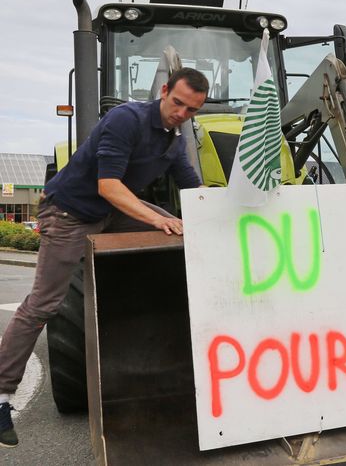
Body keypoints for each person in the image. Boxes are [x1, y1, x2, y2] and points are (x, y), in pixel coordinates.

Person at [0, 67, 208, 448]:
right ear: (164, 91)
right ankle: (2, 394)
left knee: (184, 229)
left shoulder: (174, 142)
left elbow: (197, 192)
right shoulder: (125, 120)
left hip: (108, 211)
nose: (181, 113)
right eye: (177, 103)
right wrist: (160, 221)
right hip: (69, 212)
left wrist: (232, 212)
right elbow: (109, 186)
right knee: (43, 304)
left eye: (191, 110)